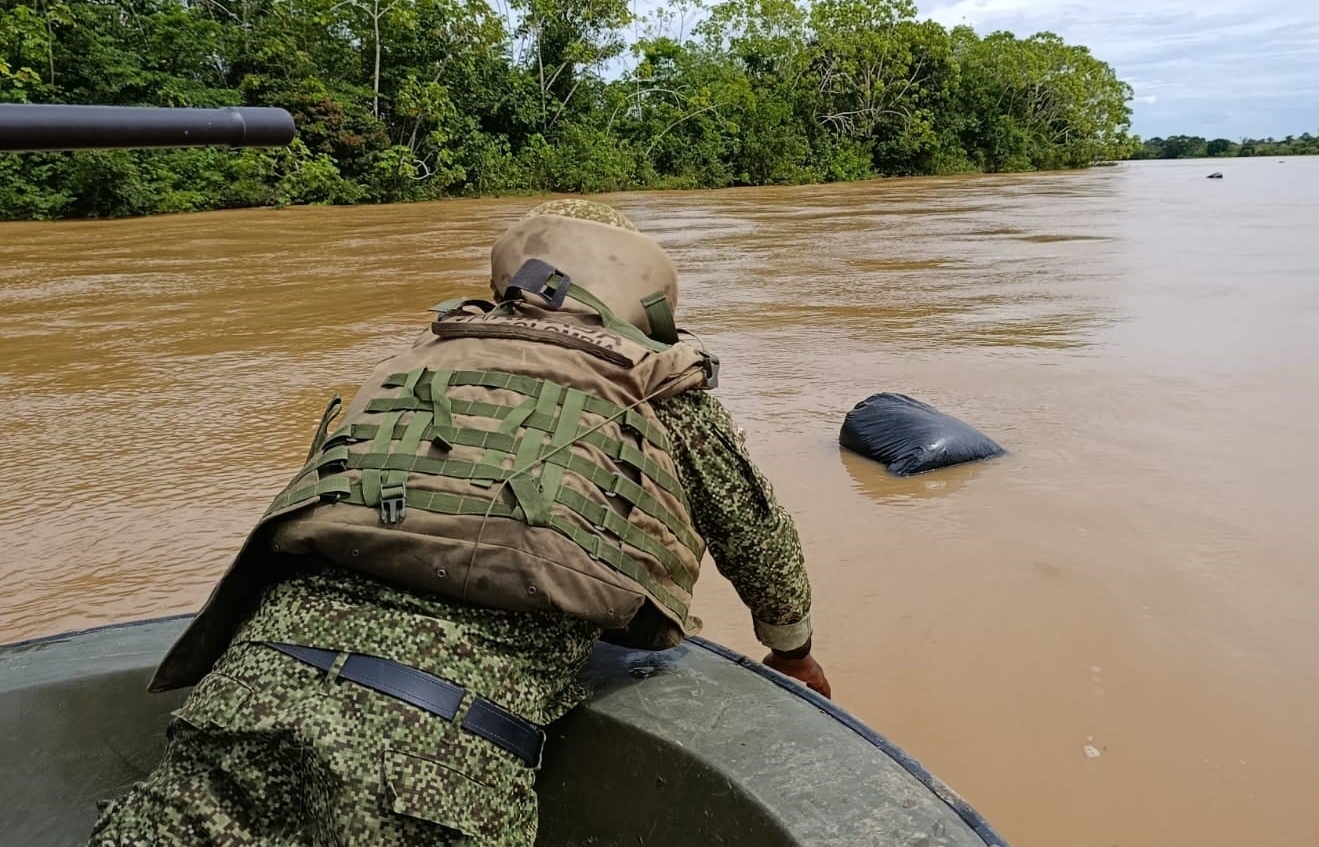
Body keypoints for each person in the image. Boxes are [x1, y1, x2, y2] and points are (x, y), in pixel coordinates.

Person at [88, 198, 827, 847]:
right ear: (640, 295)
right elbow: (756, 536)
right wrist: (793, 651)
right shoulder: (656, 381)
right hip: (431, 757)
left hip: (242, 696)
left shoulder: (429, 352)